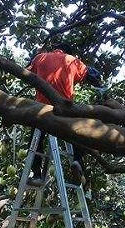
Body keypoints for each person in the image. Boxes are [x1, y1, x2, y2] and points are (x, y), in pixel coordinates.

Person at [27, 43, 102, 185]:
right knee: (78, 134)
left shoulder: (40, 58)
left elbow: (27, 71)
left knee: (35, 141)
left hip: (42, 110)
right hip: (64, 108)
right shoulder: (72, 61)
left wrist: (36, 55)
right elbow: (92, 75)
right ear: (69, 52)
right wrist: (101, 87)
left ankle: (36, 174)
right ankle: (77, 161)